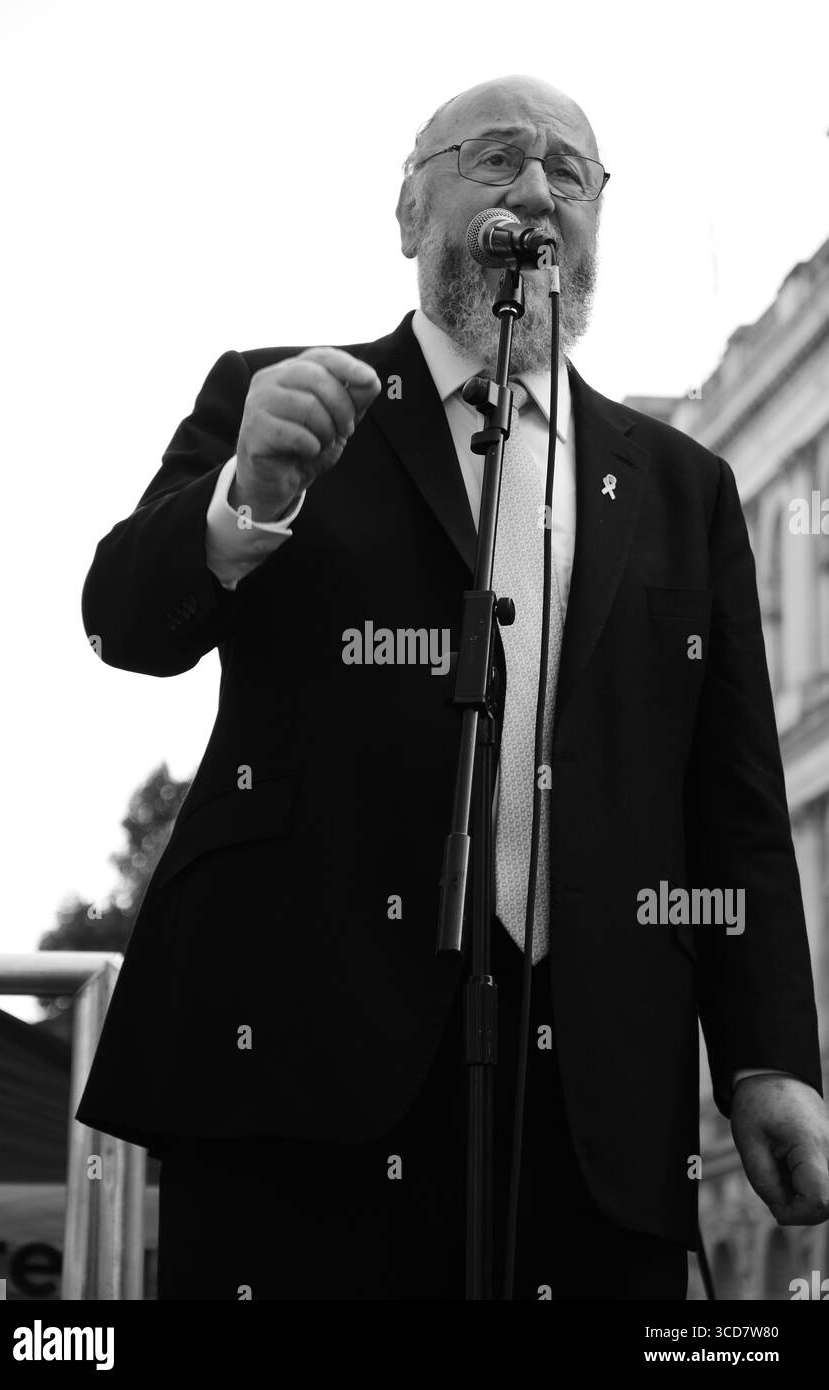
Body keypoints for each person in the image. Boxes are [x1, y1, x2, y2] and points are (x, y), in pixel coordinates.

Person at [76, 73, 829, 1301]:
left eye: (568, 173)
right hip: (302, 1085)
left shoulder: (684, 488)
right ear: (409, 209)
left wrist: (766, 1059)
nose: (535, 190)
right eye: (494, 159)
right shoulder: (276, 396)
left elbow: (731, 800)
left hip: (594, 1107)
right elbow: (123, 621)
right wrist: (244, 501)